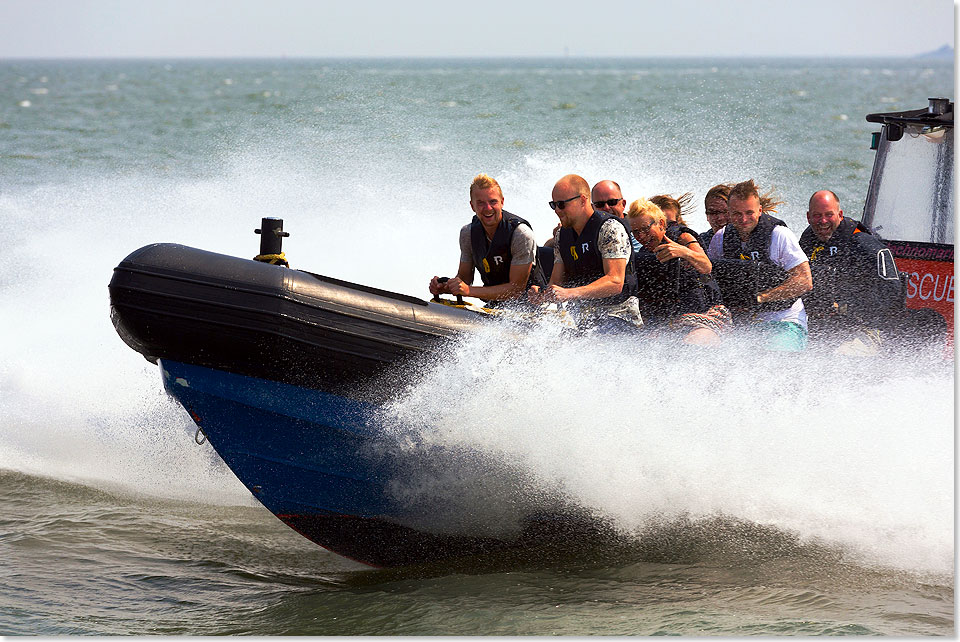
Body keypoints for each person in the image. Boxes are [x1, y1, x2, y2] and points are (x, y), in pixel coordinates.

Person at [707, 180, 812, 351]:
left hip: (783, 321)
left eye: (749, 213)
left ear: (760, 211)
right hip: (741, 324)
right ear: (729, 212)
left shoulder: (779, 235)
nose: (743, 219)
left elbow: (804, 281)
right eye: (736, 214)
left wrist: (762, 298)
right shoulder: (720, 238)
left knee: (770, 356)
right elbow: (709, 278)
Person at [528, 174, 641, 332]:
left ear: (582, 200)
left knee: (587, 338)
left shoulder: (609, 228)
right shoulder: (562, 235)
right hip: (582, 318)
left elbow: (615, 282)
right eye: (553, 205)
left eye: (561, 204)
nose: (557, 211)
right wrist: (542, 296)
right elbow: (556, 284)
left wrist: (570, 293)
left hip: (619, 316)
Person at [799, 190, 903, 355]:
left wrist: (848, 306)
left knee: (841, 356)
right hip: (824, 326)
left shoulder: (862, 244)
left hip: (867, 328)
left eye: (829, 215)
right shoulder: (807, 241)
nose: (823, 221)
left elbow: (893, 291)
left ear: (840, 214)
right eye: (817, 215)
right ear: (808, 217)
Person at [627, 198, 731, 345]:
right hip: (671, 323)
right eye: (636, 232)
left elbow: (706, 266)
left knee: (690, 345)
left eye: (646, 229)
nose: (642, 236)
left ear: (661, 224)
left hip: (707, 317)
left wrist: (683, 252)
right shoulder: (644, 254)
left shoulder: (682, 237)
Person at [429, 173, 542, 304]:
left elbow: (516, 290)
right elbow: (464, 280)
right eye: (481, 203)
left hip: (528, 307)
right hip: (494, 305)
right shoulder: (467, 233)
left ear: (502, 202)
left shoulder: (521, 234)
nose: (488, 208)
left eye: (493, 201)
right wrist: (445, 287)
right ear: (472, 206)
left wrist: (469, 291)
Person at [592, 179, 642, 254]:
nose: (606, 208)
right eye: (600, 204)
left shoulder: (638, 228)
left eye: (612, 202)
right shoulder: (586, 232)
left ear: (623, 204)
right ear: (592, 208)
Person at [699, 183, 732, 250]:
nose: (720, 218)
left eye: (726, 212)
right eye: (713, 212)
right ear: (707, 216)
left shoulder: (751, 239)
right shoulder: (701, 242)